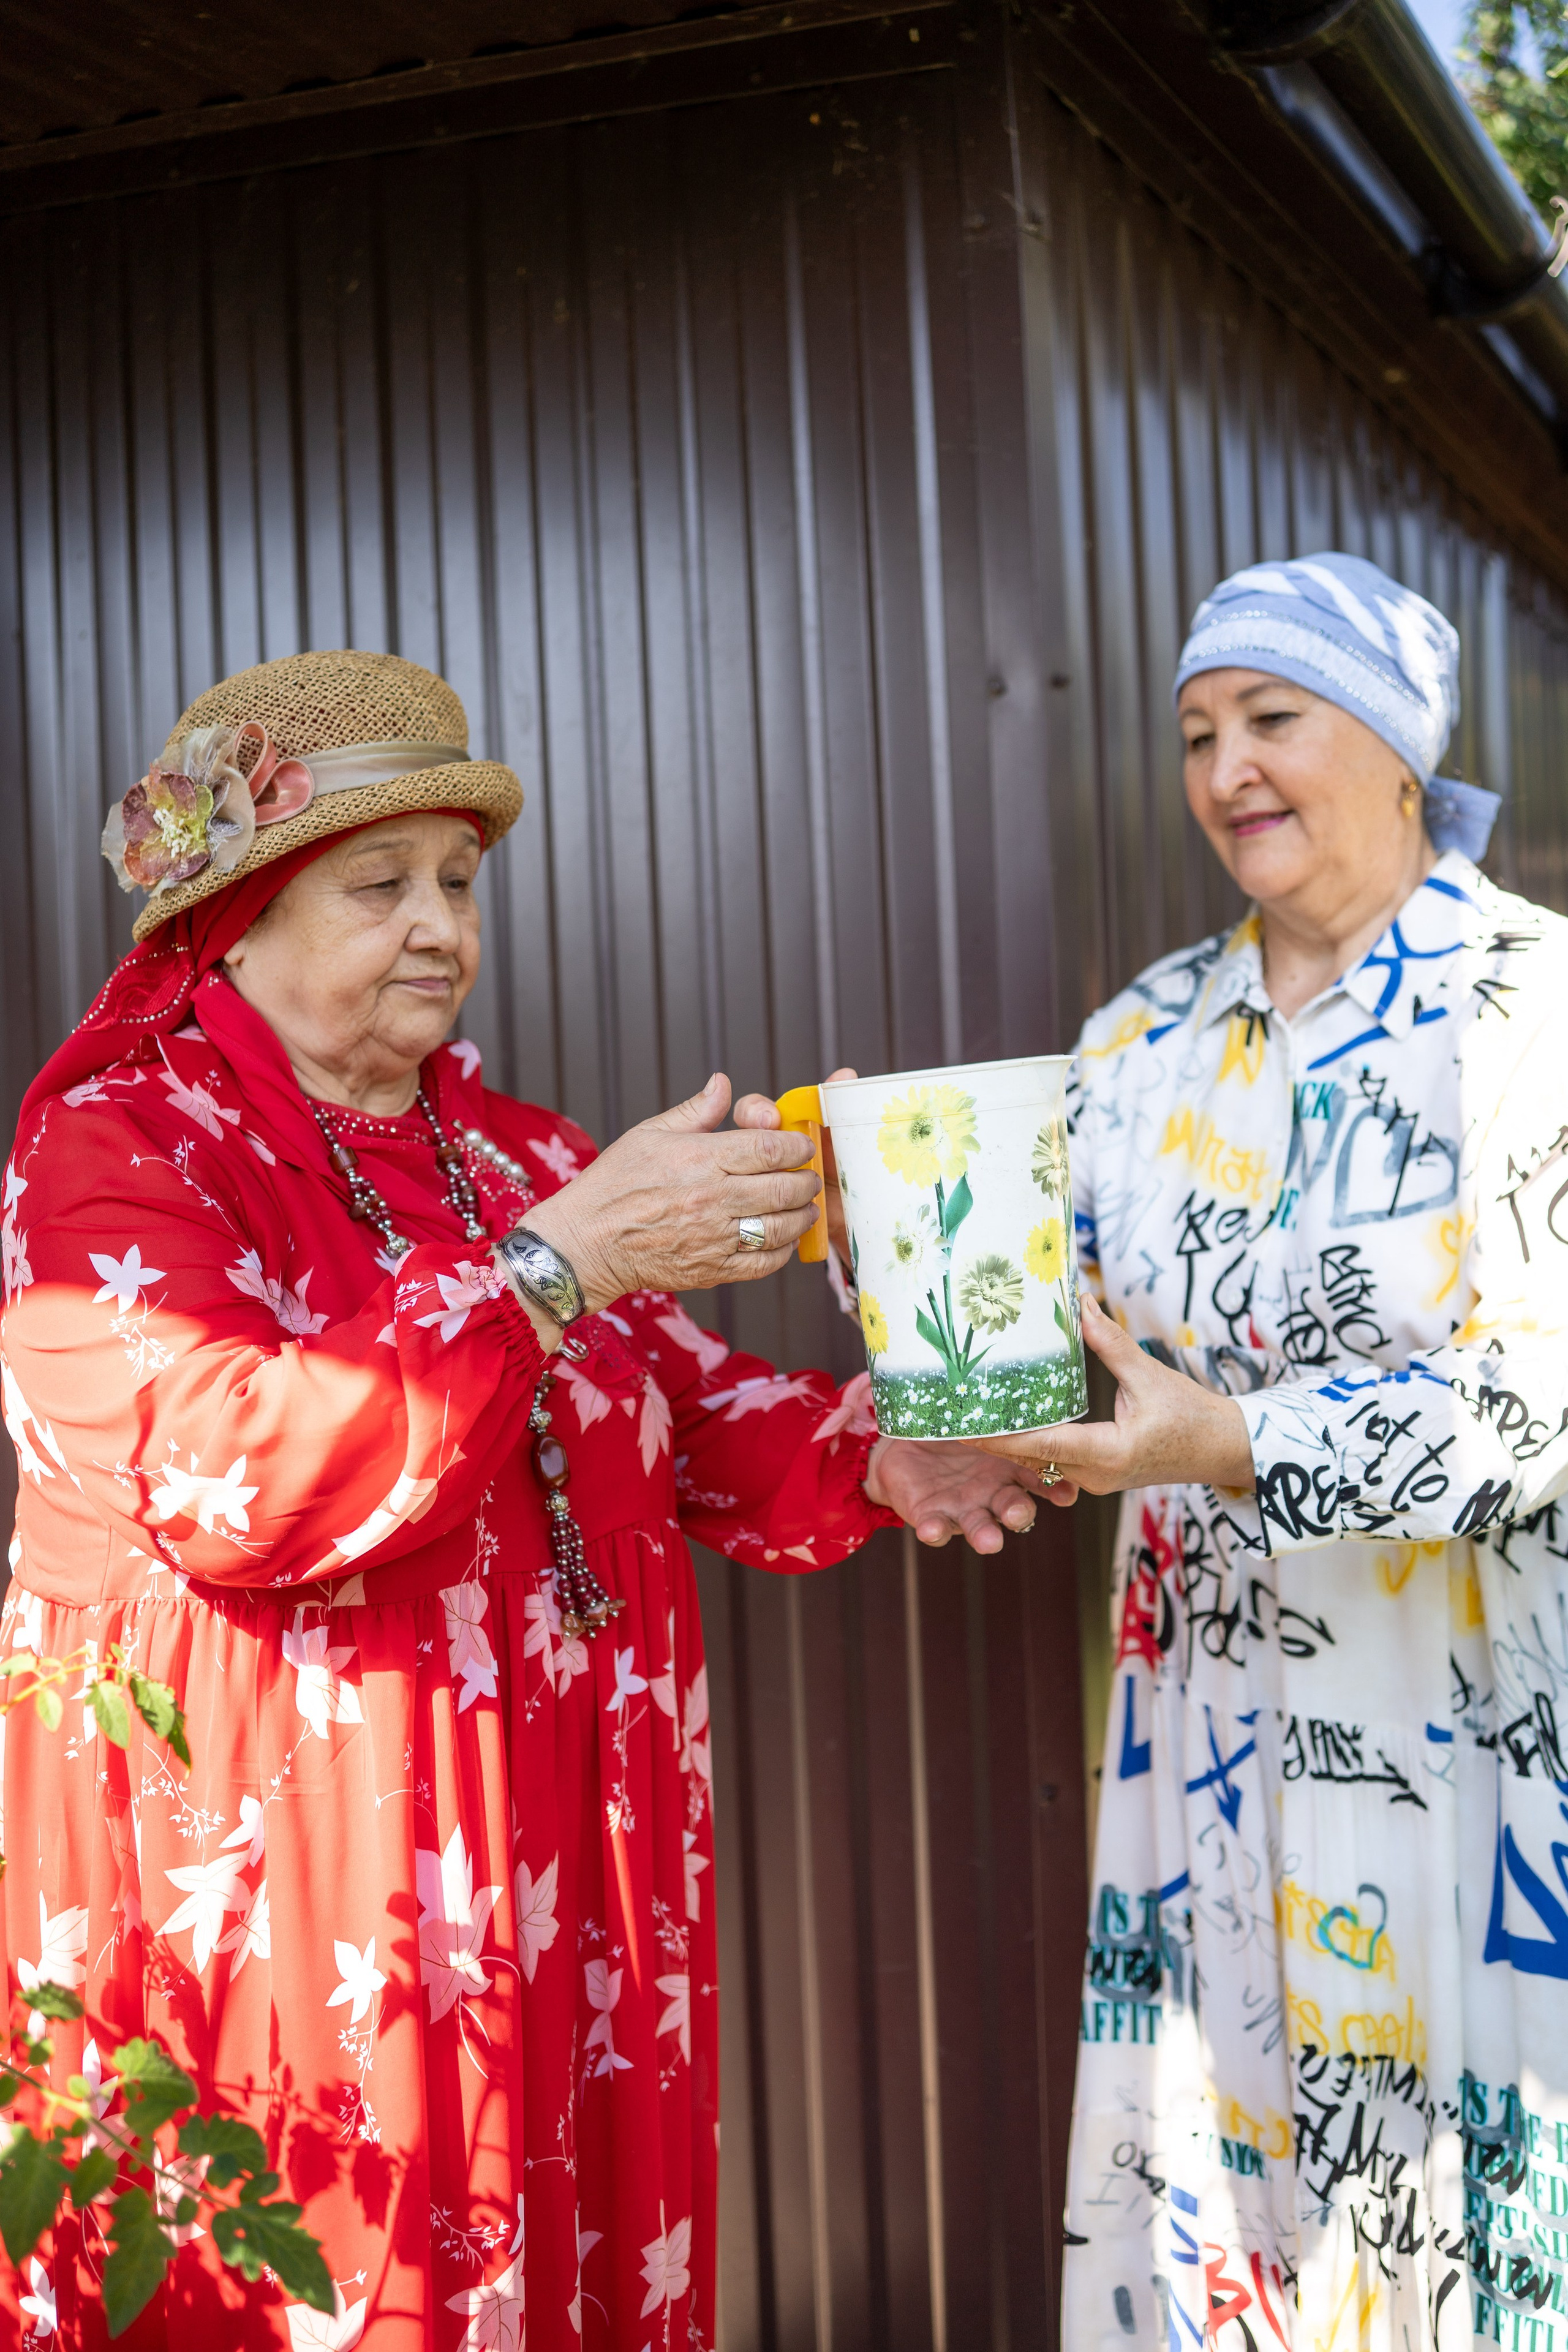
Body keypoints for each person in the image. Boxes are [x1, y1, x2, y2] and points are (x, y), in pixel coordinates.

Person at [0, 649, 1046, 2350]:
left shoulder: (518, 1155)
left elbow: (686, 1422)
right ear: (234, 916)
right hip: (303, 1888)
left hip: (565, 1873)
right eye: (380, 883)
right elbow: (230, 1470)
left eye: (461, 883)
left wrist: (882, 1448)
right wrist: (560, 1265)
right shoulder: (124, 1149)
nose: (442, 927)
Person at [987, 555, 1568, 2346]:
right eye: (1198, 732)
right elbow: (1029, 1297)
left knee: (1462, 2230)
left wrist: (1226, 1438)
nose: (1229, 764)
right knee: (1223, 2215)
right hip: (1212, 1738)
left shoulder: (1534, 1008)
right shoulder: (1139, 1040)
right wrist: (884, 1231)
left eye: (1274, 717)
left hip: (1461, 1715)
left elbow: (1536, 1406)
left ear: (1399, 751)